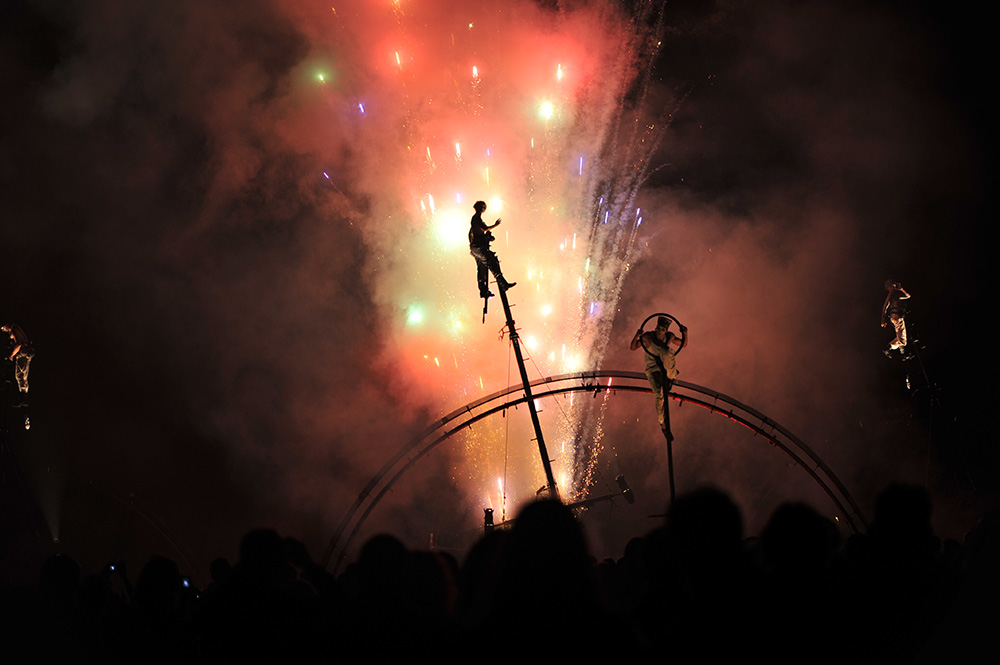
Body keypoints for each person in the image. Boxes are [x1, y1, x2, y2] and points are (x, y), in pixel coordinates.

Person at [631, 317, 686, 435]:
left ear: (666, 330)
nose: (659, 331)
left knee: (668, 352)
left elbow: (683, 344)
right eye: (658, 328)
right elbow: (633, 347)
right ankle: (663, 423)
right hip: (652, 369)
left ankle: (671, 377)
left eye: (662, 329)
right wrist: (637, 335)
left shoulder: (669, 337)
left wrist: (685, 333)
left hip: (665, 369)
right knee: (659, 395)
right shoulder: (648, 337)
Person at [469, 201, 515, 298]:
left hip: (475, 248)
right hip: (478, 248)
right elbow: (484, 229)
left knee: (482, 269)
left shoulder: (474, 220)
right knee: (492, 263)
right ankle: (503, 284)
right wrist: (495, 225)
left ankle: (483, 291)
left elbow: (472, 235)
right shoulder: (476, 218)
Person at [881, 280, 911, 357]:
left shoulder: (895, 295)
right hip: (896, 317)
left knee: (900, 337)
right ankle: (889, 348)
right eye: (892, 286)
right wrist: (883, 320)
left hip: (895, 317)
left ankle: (902, 353)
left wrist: (901, 289)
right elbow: (885, 307)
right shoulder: (891, 295)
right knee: (902, 341)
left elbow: (908, 296)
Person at [3, 323, 33, 394]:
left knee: (20, 376)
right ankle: (23, 395)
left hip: (23, 355)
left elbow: (19, 344)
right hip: (26, 354)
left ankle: (23, 396)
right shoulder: (16, 329)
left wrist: (11, 355)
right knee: (23, 377)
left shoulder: (14, 330)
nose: (4, 330)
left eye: (3, 328)